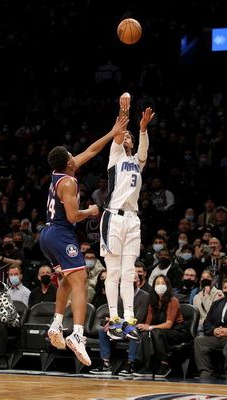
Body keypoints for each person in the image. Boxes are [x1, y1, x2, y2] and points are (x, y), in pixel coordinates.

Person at [41, 111, 128, 366]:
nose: (74, 156)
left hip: (47, 234)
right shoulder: (68, 183)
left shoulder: (60, 173)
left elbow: (91, 151)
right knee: (81, 281)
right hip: (60, 233)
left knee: (67, 281)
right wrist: (90, 211)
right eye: (71, 155)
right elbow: (72, 216)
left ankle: (56, 324)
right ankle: (78, 334)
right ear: (69, 162)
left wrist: (112, 132)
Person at [99, 96, 154, 342]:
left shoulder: (137, 163)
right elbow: (119, 133)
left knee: (129, 271)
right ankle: (114, 318)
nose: (128, 138)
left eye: (131, 136)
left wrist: (142, 129)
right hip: (113, 216)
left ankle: (129, 318)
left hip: (133, 219)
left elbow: (144, 150)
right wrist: (124, 112)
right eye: (127, 136)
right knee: (113, 271)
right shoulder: (116, 156)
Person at [90, 272, 149, 376]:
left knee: (133, 331)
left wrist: (118, 322)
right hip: (123, 327)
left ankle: (131, 363)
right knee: (103, 331)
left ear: (138, 282)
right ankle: (105, 363)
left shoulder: (144, 296)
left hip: (137, 327)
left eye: (132, 280)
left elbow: (138, 319)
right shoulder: (121, 296)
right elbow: (119, 315)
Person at [133, 275, 191, 378]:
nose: (160, 285)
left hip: (177, 330)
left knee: (155, 332)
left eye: (163, 283)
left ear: (167, 286)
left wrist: (150, 327)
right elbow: (148, 322)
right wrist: (145, 326)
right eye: (157, 283)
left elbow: (168, 325)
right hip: (159, 330)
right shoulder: (152, 301)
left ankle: (164, 364)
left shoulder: (172, 300)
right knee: (145, 333)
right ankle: (147, 366)